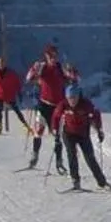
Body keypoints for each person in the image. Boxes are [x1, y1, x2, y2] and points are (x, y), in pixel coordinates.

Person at [57, 83, 111, 191]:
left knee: (90, 158)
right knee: (72, 155)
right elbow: (56, 116)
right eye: (70, 98)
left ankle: (102, 182)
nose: (72, 100)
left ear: (78, 96)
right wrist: (55, 132)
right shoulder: (63, 104)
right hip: (68, 134)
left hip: (83, 134)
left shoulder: (86, 104)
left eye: (74, 98)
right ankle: (75, 181)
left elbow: (96, 115)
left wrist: (99, 130)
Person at [25, 43, 67, 172]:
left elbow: (73, 79)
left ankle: (59, 161)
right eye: (50, 55)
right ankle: (34, 156)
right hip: (43, 105)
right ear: (46, 56)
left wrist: (71, 74)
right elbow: (29, 78)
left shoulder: (60, 67)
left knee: (57, 135)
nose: (53, 58)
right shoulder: (42, 67)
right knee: (38, 132)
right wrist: (34, 71)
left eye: (55, 55)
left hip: (57, 107)